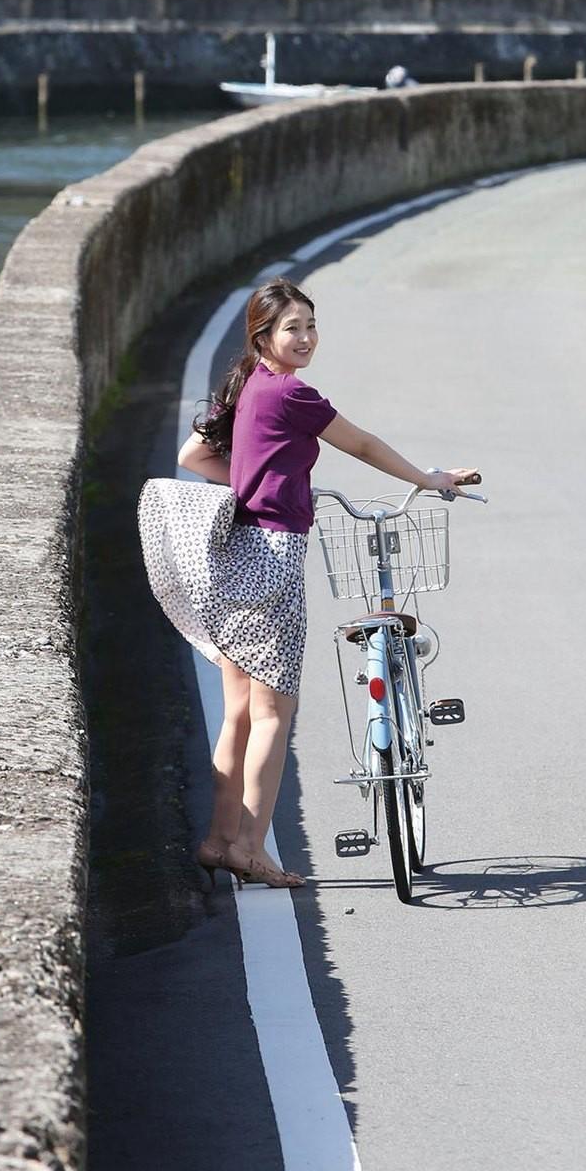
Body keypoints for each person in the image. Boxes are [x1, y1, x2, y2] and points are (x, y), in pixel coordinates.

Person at [141, 277, 479, 890]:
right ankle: (251, 848)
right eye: (291, 328)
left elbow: (194, 455)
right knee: (275, 712)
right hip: (273, 556)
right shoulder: (293, 394)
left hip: (233, 551)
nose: (305, 338)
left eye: (311, 326)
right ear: (263, 336)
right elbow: (364, 444)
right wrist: (428, 480)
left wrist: (254, 485)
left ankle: (219, 841)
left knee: (239, 711)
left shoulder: (245, 384)